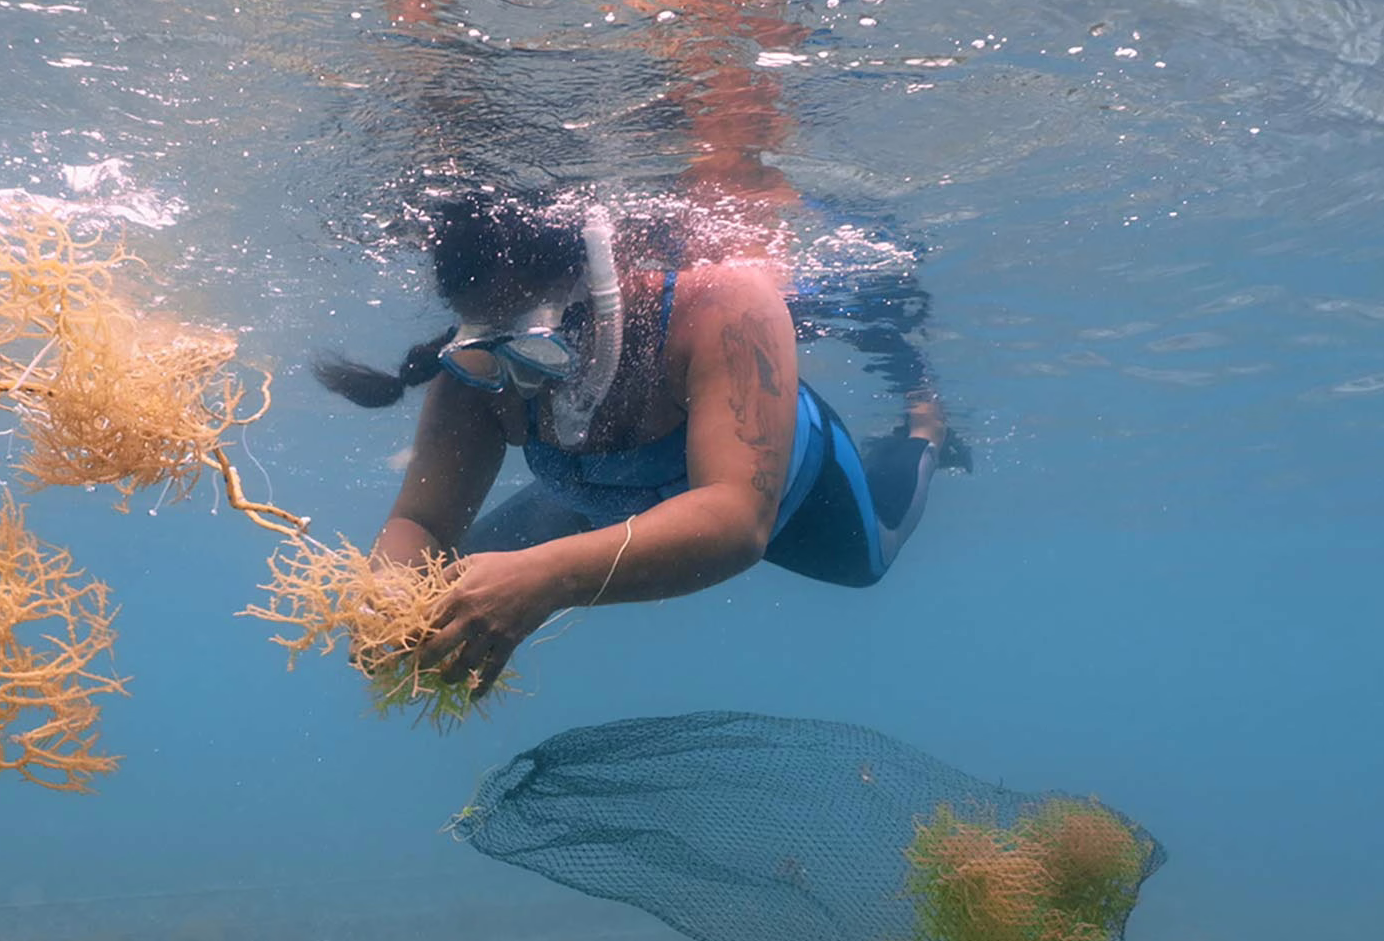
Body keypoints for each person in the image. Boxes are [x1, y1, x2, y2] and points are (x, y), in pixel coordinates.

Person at [313, 190, 968, 698]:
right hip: (595, 499)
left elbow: (734, 521)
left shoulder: (728, 308)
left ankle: (923, 429)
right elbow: (420, 522)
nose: (520, 375)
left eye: (543, 343)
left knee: (869, 562)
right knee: (453, 585)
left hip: (778, 487)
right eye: (493, 342)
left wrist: (545, 579)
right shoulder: (474, 372)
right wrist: (387, 600)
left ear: (614, 278)